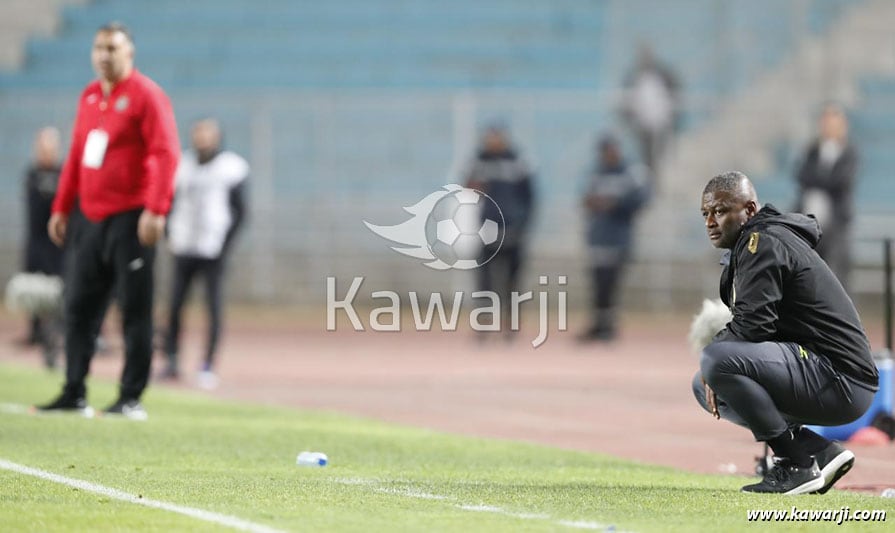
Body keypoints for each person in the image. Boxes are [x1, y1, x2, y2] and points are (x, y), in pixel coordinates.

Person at [692, 171, 878, 494]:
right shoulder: (757, 243)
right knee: (703, 386)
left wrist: (716, 358)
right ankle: (817, 451)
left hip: (841, 377)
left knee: (716, 361)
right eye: (705, 213)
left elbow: (753, 325)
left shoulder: (762, 242)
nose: (710, 221)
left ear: (749, 211)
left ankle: (796, 465)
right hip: (824, 370)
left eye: (720, 211)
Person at [34, 22, 180, 419]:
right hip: (89, 218)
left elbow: (165, 153)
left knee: (134, 309)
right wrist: (62, 207)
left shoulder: (147, 96)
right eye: (99, 47)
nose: (104, 55)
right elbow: (79, 155)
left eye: (113, 48)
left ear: (129, 52)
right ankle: (73, 391)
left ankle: (130, 397)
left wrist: (156, 208)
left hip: (131, 219)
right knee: (78, 306)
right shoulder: (89, 97)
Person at [158, 118, 248, 388]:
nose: (203, 139)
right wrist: (169, 235)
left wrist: (224, 244)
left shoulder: (231, 167)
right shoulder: (182, 165)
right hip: (184, 247)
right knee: (174, 306)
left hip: (212, 250)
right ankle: (171, 359)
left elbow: (240, 211)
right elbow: (167, 202)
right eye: (199, 133)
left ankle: (208, 363)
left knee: (213, 307)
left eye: (208, 134)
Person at [465, 124, 535, 336]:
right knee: (484, 280)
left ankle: (510, 323)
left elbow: (530, 196)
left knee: (511, 280)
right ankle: (484, 322)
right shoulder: (479, 161)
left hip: (512, 228)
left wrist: (523, 224)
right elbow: (467, 186)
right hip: (487, 229)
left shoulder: (517, 162)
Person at [578, 135, 649, 342]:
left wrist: (615, 204)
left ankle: (608, 326)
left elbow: (641, 199)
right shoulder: (596, 173)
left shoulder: (631, 173)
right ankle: (598, 324)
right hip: (598, 237)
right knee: (598, 284)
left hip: (618, 238)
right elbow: (585, 198)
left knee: (612, 284)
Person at [794, 103, 858, 291]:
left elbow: (842, 180)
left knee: (837, 275)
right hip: (809, 223)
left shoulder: (850, 152)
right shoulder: (812, 150)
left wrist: (818, 181)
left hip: (836, 224)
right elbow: (801, 175)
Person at [22, 127, 65, 359]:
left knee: (59, 292)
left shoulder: (63, 173)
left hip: (58, 246)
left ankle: (56, 333)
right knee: (35, 291)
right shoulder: (31, 174)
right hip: (37, 244)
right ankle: (37, 332)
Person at [620, 44, 681, 181]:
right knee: (647, 157)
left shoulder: (663, 75)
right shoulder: (634, 77)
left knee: (662, 155)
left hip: (661, 123)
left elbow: (673, 94)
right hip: (643, 125)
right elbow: (628, 101)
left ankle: (661, 182)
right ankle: (650, 183)